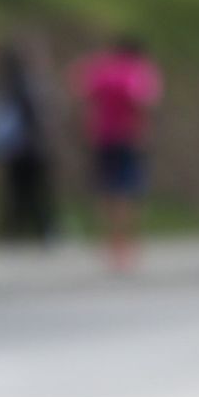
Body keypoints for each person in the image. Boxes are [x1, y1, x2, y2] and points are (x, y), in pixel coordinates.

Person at [69, 37, 163, 271]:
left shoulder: (102, 70)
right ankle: (125, 247)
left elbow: (82, 90)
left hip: (101, 136)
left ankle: (109, 244)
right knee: (128, 192)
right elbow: (144, 101)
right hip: (128, 138)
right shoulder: (137, 72)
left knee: (106, 191)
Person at [0, 45, 56, 245]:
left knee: (15, 193)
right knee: (37, 193)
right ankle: (44, 231)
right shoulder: (30, 87)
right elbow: (40, 118)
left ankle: (11, 233)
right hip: (31, 149)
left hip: (12, 149)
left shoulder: (2, 88)